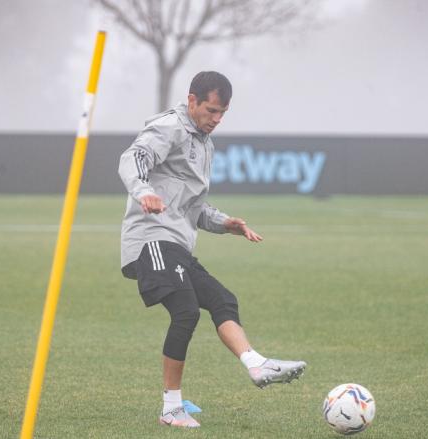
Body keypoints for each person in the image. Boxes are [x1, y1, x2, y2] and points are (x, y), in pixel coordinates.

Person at [118, 71, 306, 428]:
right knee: (186, 310)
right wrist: (144, 192)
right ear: (192, 101)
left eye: (223, 113)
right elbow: (133, 159)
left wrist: (225, 224)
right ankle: (171, 408)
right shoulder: (170, 127)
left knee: (222, 299)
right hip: (151, 239)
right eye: (212, 110)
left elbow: (193, 207)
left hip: (176, 243)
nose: (217, 119)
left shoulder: (205, 144)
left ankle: (255, 363)